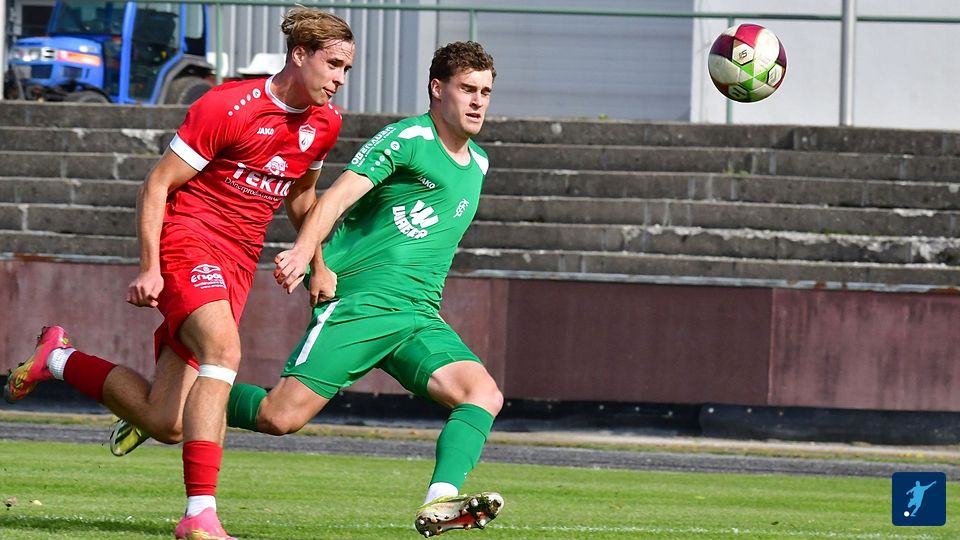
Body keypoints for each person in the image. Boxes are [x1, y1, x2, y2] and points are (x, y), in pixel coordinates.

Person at [4, 7, 354, 539]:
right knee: (224, 352)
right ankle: (199, 515)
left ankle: (56, 357)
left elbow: (302, 198)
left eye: (347, 69)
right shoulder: (228, 105)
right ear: (299, 55)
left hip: (239, 262)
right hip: (189, 241)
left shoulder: (325, 124)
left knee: (166, 421)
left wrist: (318, 264)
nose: (340, 78)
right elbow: (157, 185)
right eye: (333, 65)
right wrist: (150, 267)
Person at [230, 40, 502, 537]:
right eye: (467, 89)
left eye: (485, 92)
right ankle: (184, 401)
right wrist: (305, 255)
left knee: (482, 393)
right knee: (279, 417)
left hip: (418, 314)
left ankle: (440, 503)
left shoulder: (479, 163)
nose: (477, 101)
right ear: (437, 89)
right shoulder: (407, 138)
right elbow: (333, 200)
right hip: (364, 302)